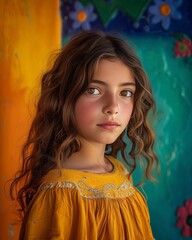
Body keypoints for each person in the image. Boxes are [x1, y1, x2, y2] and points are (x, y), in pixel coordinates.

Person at [10, 30, 158, 239]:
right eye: (94, 90)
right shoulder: (60, 192)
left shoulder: (120, 172)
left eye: (125, 93)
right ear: (66, 98)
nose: (113, 107)